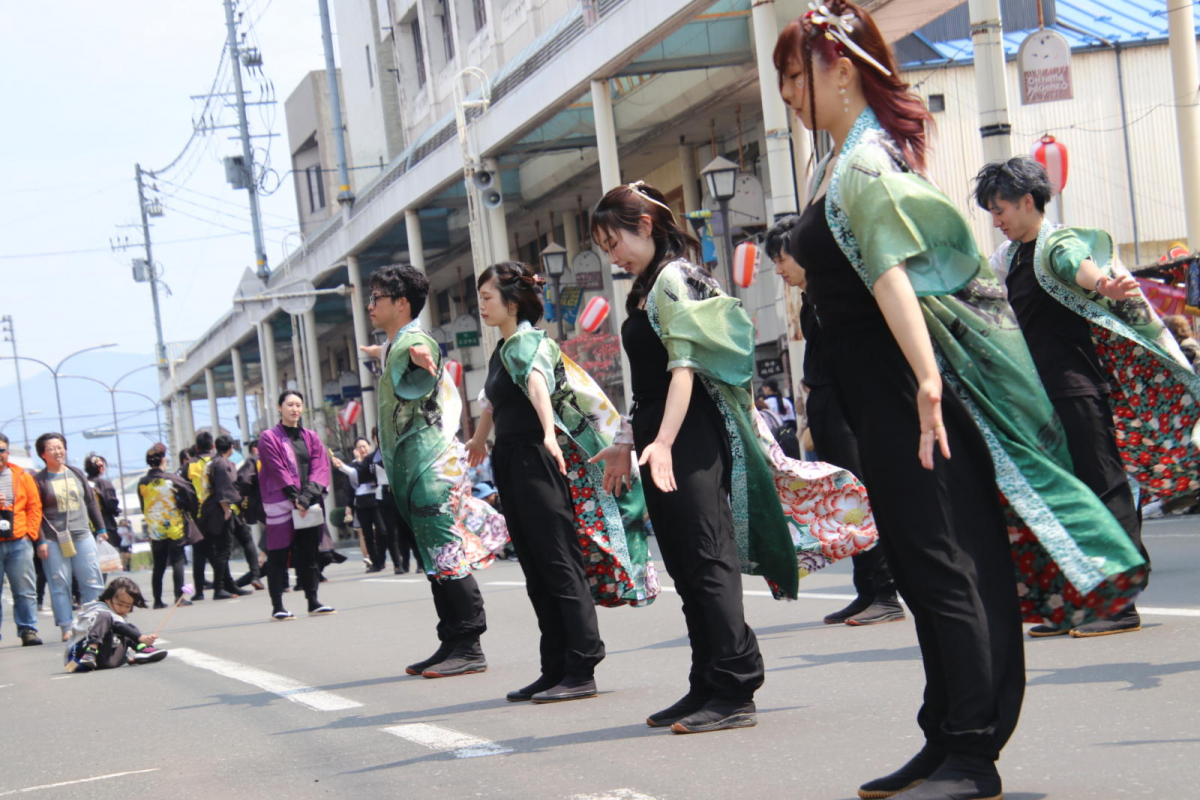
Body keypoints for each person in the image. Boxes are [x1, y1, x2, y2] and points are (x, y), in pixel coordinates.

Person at [774, 6, 1147, 797]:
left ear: (840, 68)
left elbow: (890, 273)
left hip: (908, 391)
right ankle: (944, 736)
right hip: (881, 392)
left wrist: (930, 383)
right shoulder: (840, 162)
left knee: (946, 565)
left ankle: (973, 752)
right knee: (920, 564)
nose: (786, 94)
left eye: (794, 74)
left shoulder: (865, 167)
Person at [590, 181, 876, 734]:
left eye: (615, 241)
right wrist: (628, 440)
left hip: (690, 430)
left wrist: (666, 440)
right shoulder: (647, 288)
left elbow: (685, 367)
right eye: (605, 249)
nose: (613, 256)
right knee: (683, 560)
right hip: (664, 428)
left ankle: (735, 684)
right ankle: (707, 681)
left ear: (645, 226)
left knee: (705, 554)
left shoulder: (674, 278)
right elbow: (649, 381)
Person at [973, 158, 1197, 637]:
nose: (996, 220)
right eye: (992, 211)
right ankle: (1071, 603)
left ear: (1028, 202)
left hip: (1076, 389)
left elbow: (1081, 268)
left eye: (1000, 209)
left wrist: (1105, 284)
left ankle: (1120, 604)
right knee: (1056, 499)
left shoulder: (1057, 243)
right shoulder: (1008, 258)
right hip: (1037, 397)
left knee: (1104, 487)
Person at [467, 261, 658, 704]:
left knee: (556, 560)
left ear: (513, 303)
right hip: (511, 456)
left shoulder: (528, 342)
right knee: (534, 566)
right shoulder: (502, 348)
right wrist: (478, 440)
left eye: (488, 298)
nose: (481, 306)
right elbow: (493, 402)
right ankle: (553, 667)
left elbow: (536, 385)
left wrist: (549, 435)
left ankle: (581, 664)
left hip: (537, 454)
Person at [366, 264, 509, 679]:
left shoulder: (414, 338)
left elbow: (423, 353)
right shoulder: (397, 341)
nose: (371, 305)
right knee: (434, 556)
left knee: (445, 552)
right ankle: (451, 639)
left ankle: (468, 642)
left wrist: (420, 357)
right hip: (411, 470)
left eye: (377, 297)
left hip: (429, 469)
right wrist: (381, 353)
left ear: (401, 303)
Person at [766, 215, 903, 627]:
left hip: (847, 403)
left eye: (782, 258)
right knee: (841, 504)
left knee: (857, 499)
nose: (779, 269)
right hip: (826, 403)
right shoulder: (810, 298)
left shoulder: (835, 293)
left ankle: (886, 591)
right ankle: (866, 591)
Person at [257, 391, 336, 620]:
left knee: (309, 554)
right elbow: (276, 468)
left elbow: (320, 467)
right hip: (281, 502)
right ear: (279, 407)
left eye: (298, 405)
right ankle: (278, 606)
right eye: (289, 404)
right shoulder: (269, 437)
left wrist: (307, 496)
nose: (294, 409)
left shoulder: (310, 436)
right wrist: (295, 497)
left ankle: (313, 600)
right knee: (278, 555)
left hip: (307, 503)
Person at [33, 432, 107, 642]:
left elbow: (91, 502)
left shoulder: (76, 473)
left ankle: (96, 621)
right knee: (59, 583)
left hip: (83, 534)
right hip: (53, 538)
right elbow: (35, 512)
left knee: (92, 579)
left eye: (60, 447)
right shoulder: (39, 480)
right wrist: (40, 541)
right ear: (43, 454)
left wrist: (101, 529)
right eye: (52, 448)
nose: (58, 451)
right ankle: (66, 626)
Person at [138, 443, 198, 608]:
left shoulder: (143, 483)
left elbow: (143, 505)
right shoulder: (171, 479)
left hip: (155, 527)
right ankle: (179, 597)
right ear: (163, 460)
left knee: (159, 563)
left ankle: (157, 600)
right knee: (177, 559)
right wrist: (188, 509)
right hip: (173, 524)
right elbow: (190, 494)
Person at [64, 576, 167, 672]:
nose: (123, 609)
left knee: (129, 627)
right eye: (120, 604)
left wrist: (142, 644)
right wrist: (140, 637)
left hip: (108, 660)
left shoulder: (117, 616)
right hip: (78, 658)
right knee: (107, 618)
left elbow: (120, 629)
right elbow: (117, 625)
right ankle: (91, 652)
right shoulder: (98, 609)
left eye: (128, 606)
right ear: (108, 599)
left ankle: (143, 650)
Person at [0, 432, 45, 646]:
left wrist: (30, 533)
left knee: (25, 589)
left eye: (1, 450)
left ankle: (28, 629)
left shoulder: (22, 475)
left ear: (7, 452)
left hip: (19, 540)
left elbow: (34, 506)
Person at [333, 438, 402, 574]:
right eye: (359, 447)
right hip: (361, 501)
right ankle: (375, 562)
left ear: (369, 447)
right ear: (356, 450)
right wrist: (342, 466)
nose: (362, 449)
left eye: (364, 446)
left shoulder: (374, 459)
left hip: (376, 498)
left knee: (383, 532)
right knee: (367, 535)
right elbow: (352, 481)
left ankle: (388, 561)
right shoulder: (355, 465)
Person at [199, 435, 254, 600]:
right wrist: (226, 510)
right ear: (231, 447)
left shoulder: (215, 462)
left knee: (223, 549)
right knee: (223, 551)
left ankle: (228, 584)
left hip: (213, 509)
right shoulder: (222, 464)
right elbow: (223, 491)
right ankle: (219, 587)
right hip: (220, 510)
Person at [186, 432, 216, 599]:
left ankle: (199, 592)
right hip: (217, 512)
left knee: (199, 552)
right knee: (219, 550)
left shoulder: (190, 465)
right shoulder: (218, 461)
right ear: (212, 446)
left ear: (196, 447)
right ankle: (222, 586)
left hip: (197, 514)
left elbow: (183, 489)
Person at [83, 454, 121, 548]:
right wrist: (116, 510)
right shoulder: (104, 484)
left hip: (87, 526)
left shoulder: (82, 483)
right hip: (106, 525)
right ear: (100, 468)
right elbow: (112, 504)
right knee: (110, 558)